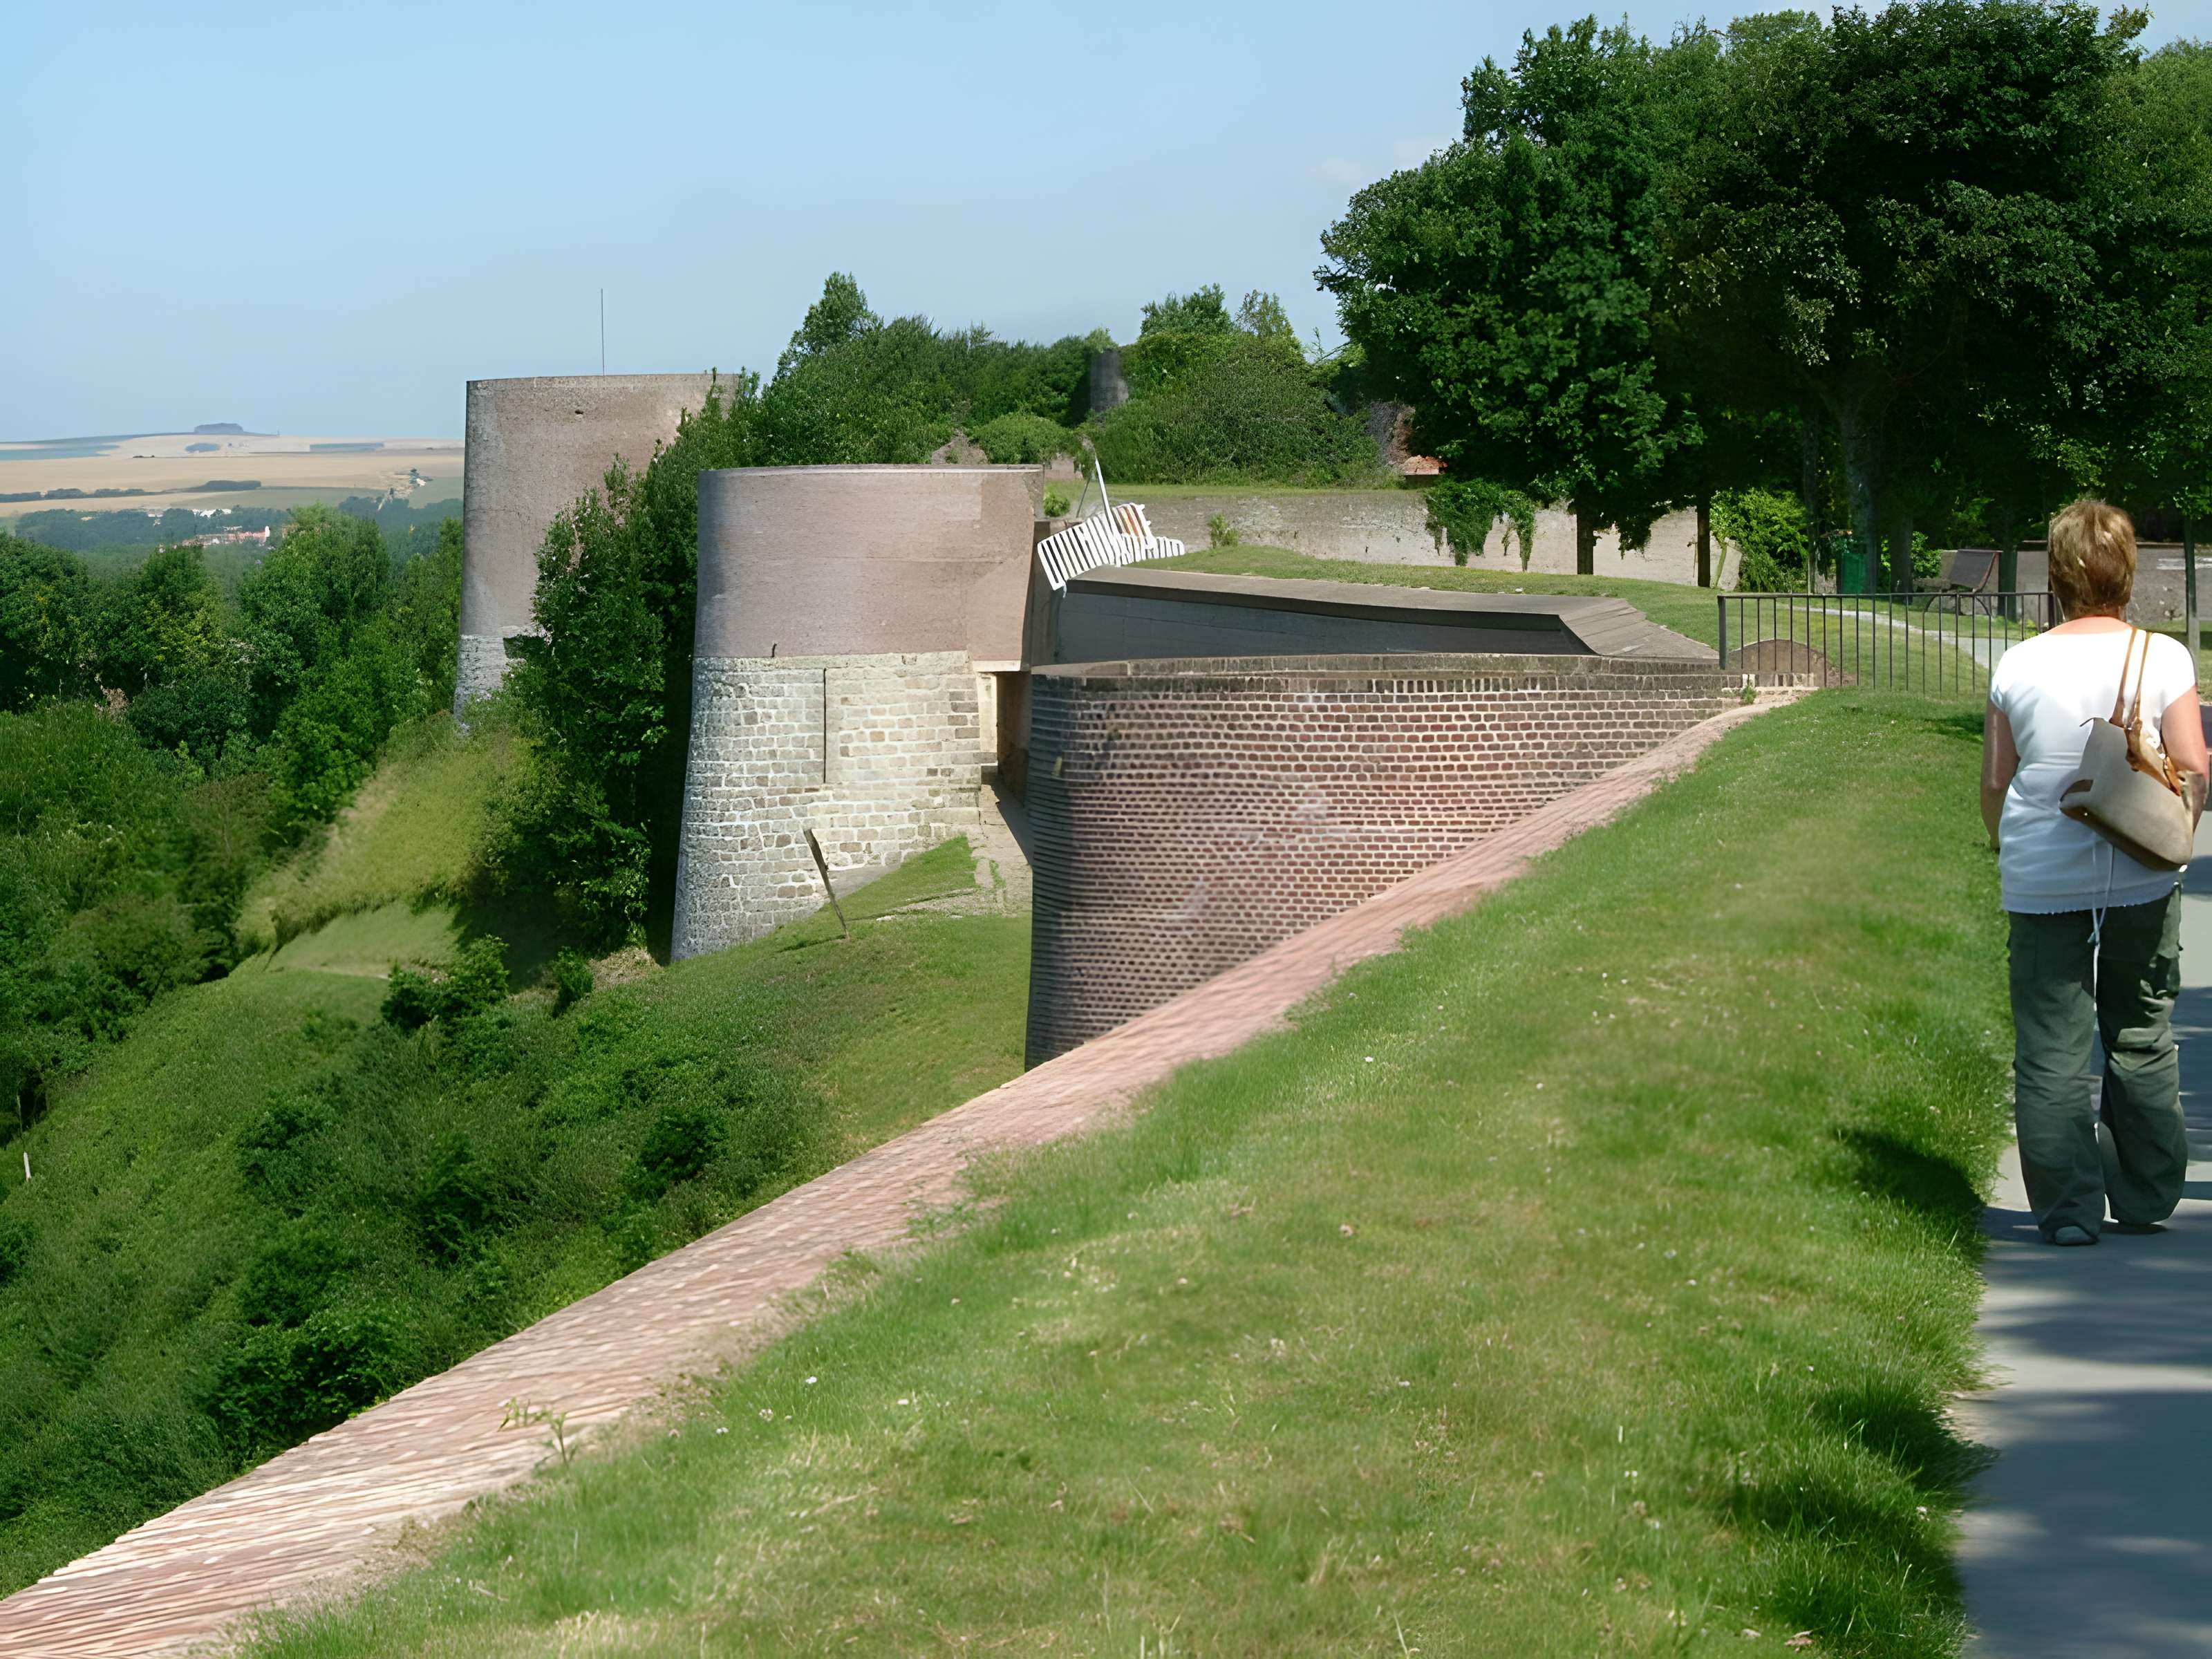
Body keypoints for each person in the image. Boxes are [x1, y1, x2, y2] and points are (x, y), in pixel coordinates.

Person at [1983, 499, 2208, 1245]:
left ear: (2054, 575)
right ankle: (2143, 1196)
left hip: (2040, 877)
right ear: (2128, 570)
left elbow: (1994, 781)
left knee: (2049, 1047)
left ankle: (2069, 1212)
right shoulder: (2163, 656)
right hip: (2139, 876)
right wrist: (2174, 839)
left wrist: (2000, 844)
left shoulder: (2016, 663)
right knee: (2140, 1031)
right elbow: (2193, 766)